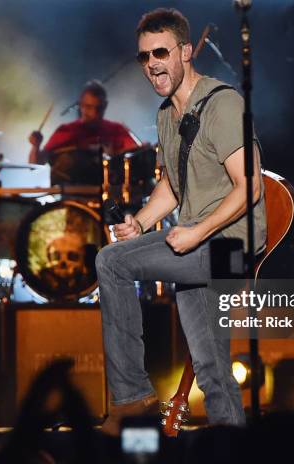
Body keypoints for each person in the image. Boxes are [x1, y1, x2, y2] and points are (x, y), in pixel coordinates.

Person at [95, 8, 267, 435]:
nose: (152, 63)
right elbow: (173, 185)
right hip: (201, 242)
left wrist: (196, 232)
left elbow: (252, 186)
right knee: (210, 364)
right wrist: (141, 221)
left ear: (185, 52)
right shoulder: (165, 115)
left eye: (160, 52)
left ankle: (132, 400)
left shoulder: (223, 103)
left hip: (229, 244)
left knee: (111, 262)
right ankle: (232, 443)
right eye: (143, 57)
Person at [28, 80, 141, 184]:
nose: (94, 113)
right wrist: (35, 146)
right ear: (80, 105)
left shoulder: (117, 129)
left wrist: (143, 150)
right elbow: (35, 164)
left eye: (98, 108)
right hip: (72, 199)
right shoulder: (67, 131)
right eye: (88, 107)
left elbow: (136, 155)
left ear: (105, 105)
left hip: (111, 196)